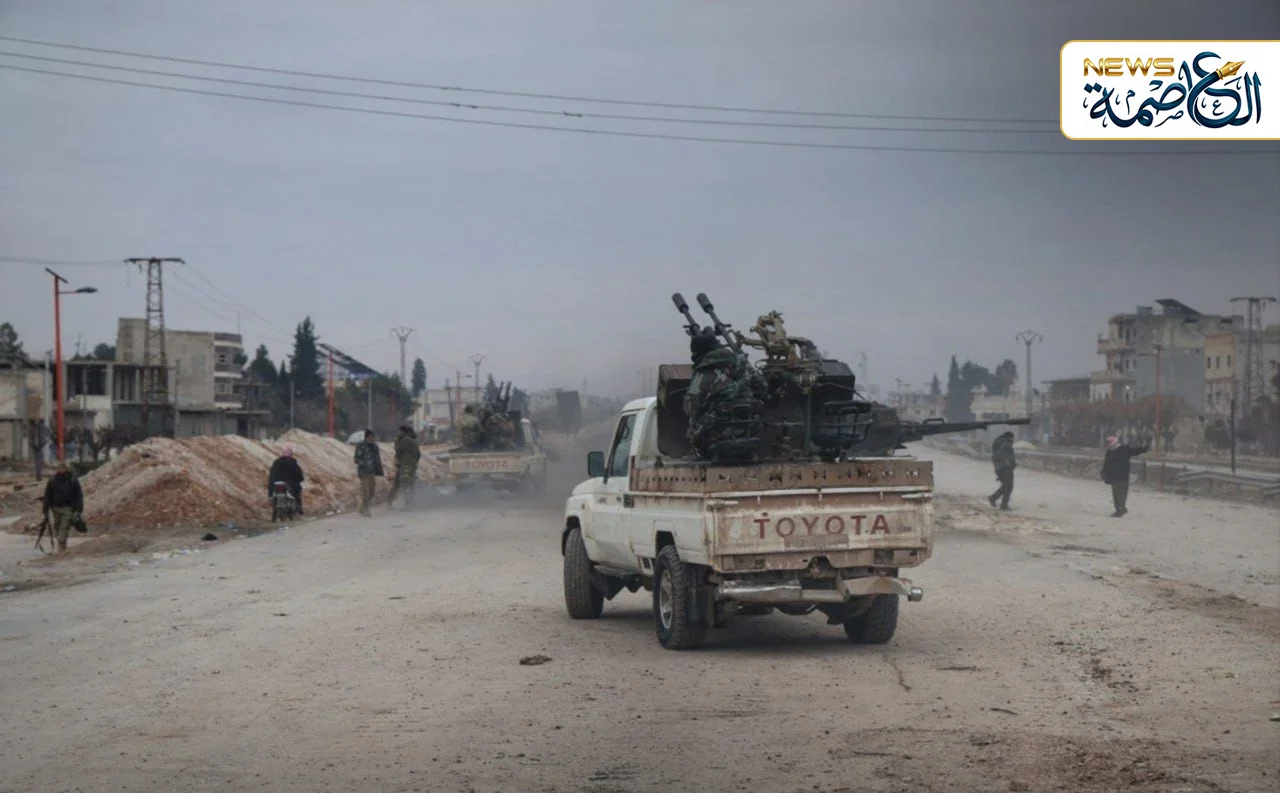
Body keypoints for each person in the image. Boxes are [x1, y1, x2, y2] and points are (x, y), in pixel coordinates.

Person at [1101, 435, 1149, 517]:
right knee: (1115, 494)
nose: (1109, 444)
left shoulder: (1124, 449)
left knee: (1121, 494)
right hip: (1113, 476)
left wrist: (1144, 449)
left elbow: (1135, 451)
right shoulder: (1109, 451)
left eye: (1109, 442)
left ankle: (1121, 509)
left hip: (1123, 476)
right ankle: (1119, 510)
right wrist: (1104, 473)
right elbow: (1106, 463)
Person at [41, 461, 84, 553]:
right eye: (59, 468)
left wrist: (79, 509)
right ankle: (62, 546)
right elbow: (47, 495)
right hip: (55, 508)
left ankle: (60, 548)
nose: (61, 470)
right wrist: (45, 509)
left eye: (63, 468)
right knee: (58, 526)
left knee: (64, 527)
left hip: (68, 508)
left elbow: (78, 495)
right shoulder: (52, 480)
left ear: (66, 469)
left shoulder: (72, 480)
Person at [387, 425, 421, 509]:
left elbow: (397, 450)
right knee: (408, 483)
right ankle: (406, 502)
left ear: (403, 432)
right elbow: (418, 454)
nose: (398, 433)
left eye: (399, 432)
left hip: (404, 465)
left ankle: (405, 503)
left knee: (404, 484)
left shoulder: (404, 440)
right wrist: (414, 463)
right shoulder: (413, 440)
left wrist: (397, 441)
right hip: (409, 466)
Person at [354, 429, 384, 516]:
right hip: (363, 473)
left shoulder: (375, 446)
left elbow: (377, 458)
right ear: (366, 437)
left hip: (372, 472)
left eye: (373, 437)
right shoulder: (361, 446)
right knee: (366, 492)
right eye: (370, 437)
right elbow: (356, 459)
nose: (372, 438)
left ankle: (361, 507)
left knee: (372, 493)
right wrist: (365, 463)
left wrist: (379, 470)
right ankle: (366, 510)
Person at [267, 445, 305, 515]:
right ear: (291, 454)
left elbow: (272, 474)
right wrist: (300, 478)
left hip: (274, 485)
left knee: (272, 495)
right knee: (297, 492)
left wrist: (270, 489)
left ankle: (275, 507)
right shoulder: (292, 461)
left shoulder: (276, 462)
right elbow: (297, 473)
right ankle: (298, 510)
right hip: (289, 484)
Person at [988, 430, 1016, 510]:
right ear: (1010, 437)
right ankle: (1003, 505)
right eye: (1013, 438)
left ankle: (993, 498)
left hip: (999, 468)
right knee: (1009, 487)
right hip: (1005, 468)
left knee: (1006, 486)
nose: (1013, 440)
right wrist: (1009, 464)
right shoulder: (1007, 445)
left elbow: (998, 456)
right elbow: (1006, 457)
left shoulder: (1000, 443)